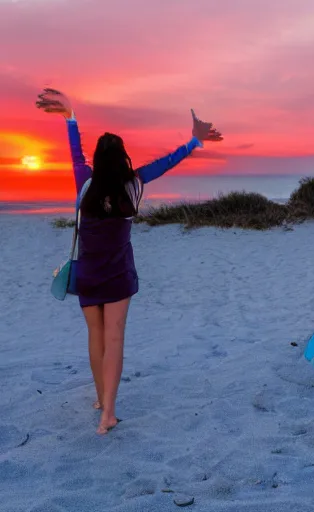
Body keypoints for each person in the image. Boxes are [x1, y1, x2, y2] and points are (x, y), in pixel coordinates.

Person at [36, 88, 223, 434]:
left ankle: (99, 397)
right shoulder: (133, 185)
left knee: (96, 335)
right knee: (115, 339)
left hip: (89, 275)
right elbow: (166, 163)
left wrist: (71, 115)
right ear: (122, 159)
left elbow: (75, 155)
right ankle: (109, 412)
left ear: (98, 159)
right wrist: (194, 142)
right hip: (119, 276)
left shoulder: (85, 183)